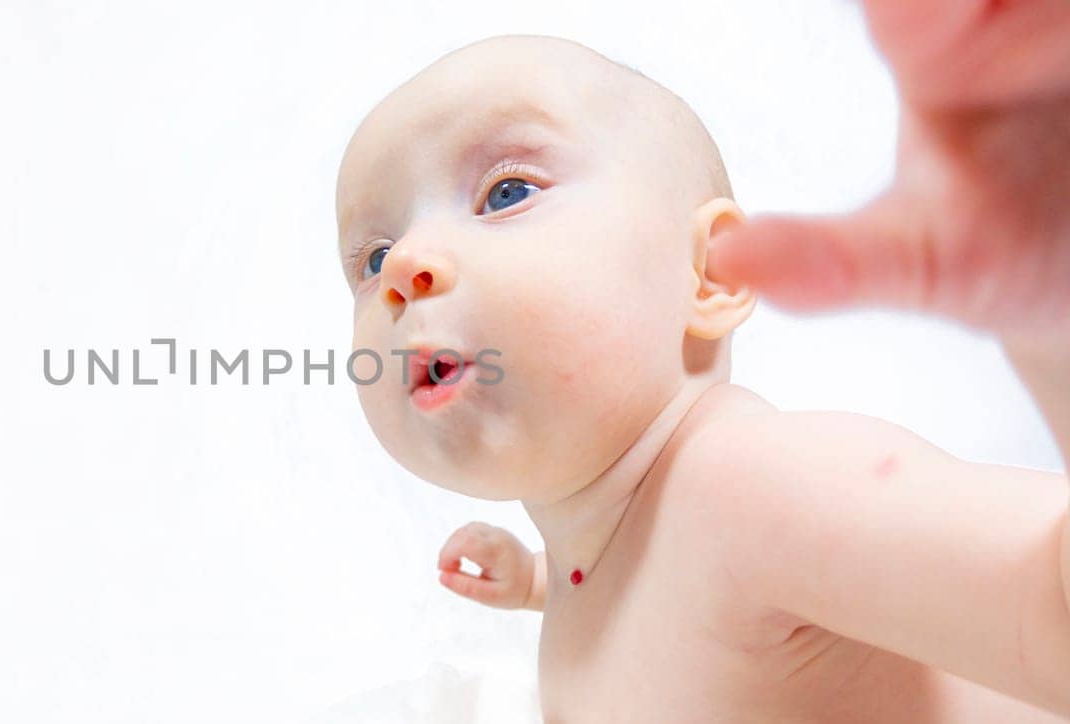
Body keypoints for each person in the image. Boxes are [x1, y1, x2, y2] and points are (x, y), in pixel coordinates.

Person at [336, 34, 1070, 721]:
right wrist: (540, 582)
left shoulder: (758, 490)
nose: (404, 268)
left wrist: (1044, 326)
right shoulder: (608, 539)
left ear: (711, 274)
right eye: (371, 258)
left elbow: (1051, 608)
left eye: (505, 193)